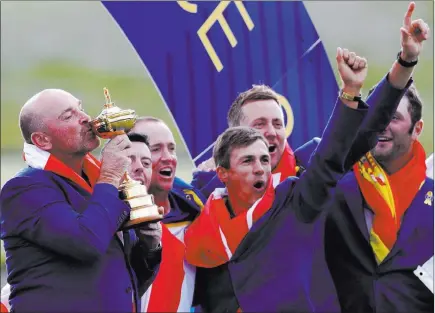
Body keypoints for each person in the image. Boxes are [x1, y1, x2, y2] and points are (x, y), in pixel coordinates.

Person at [183, 47, 375, 312]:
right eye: (259, 124)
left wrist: (401, 67)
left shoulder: (303, 181)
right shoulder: (205, 195)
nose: (270, 132)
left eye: (277, 123)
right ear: (236, 135)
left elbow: (351, 136)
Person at [0, 89, 162, 312]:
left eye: (81, 108)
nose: (85, 118)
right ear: (42, 140)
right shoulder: (24, 189)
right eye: (68, 116)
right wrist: (111, 175)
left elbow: (125, 283)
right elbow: (86, 242)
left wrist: (150, 247)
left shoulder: (97, 182)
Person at [324, 9, 433, 310]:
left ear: (417, 129)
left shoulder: (431, 189)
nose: (382, 126)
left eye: (394, 119)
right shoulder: (337, 181)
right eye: (378, 119)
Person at [129, 117, 206, 312]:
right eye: (155, 149)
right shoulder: (115, 220)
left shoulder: (192, 206)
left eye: (171, 148)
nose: (168, 157)